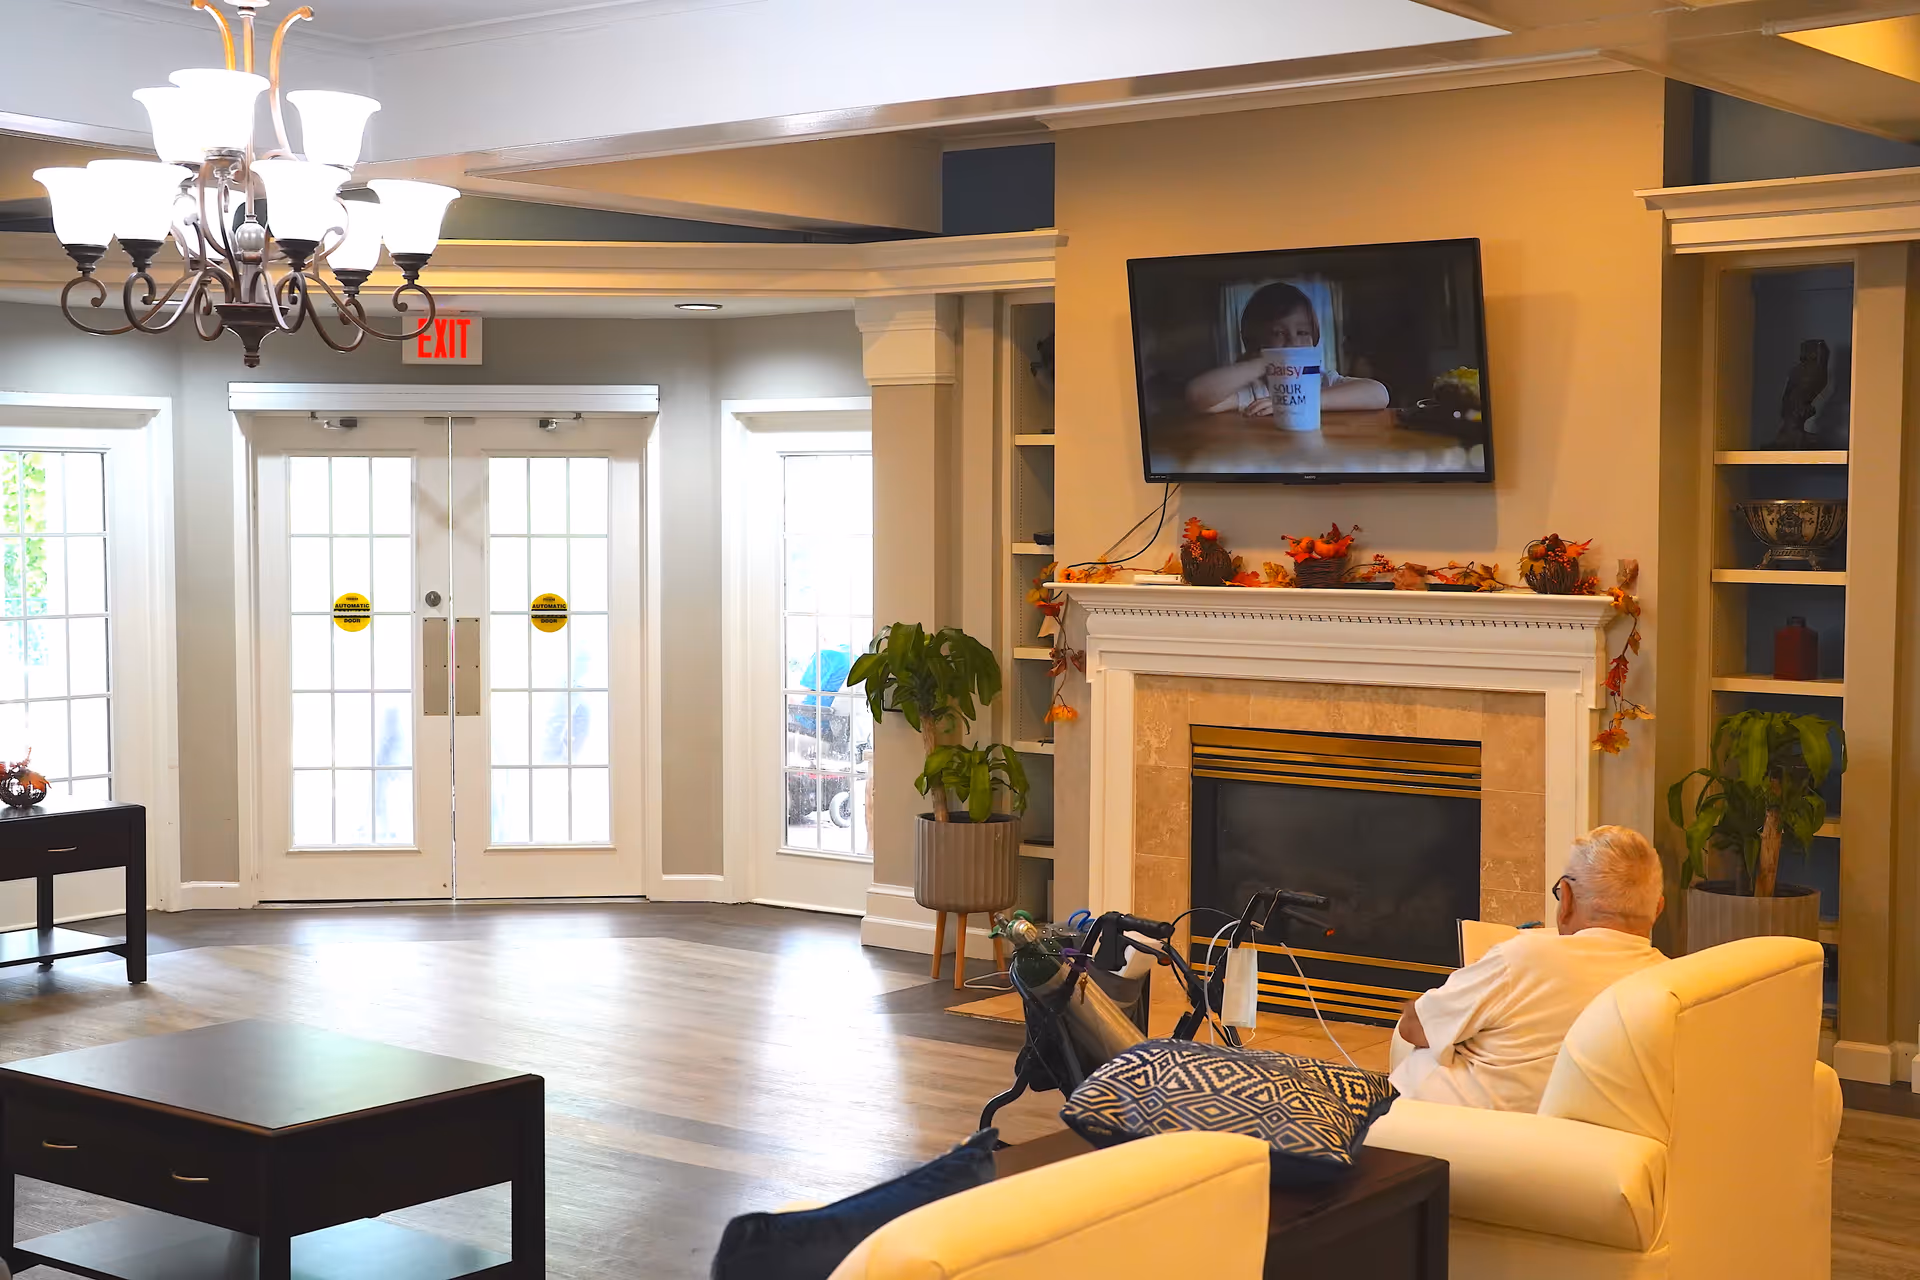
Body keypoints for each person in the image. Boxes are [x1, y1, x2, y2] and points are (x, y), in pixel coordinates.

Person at [1390, 825, 1669, 1113]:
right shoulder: (1669, 980)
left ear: (1567, 898)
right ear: (1658, 909)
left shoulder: (1524, 956)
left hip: (1441, 1133)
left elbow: (1415, 1027)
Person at [1184, 280, 1389, 416]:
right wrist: (1262, 363)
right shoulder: (1257, 390)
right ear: (1255, 341)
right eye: (1278, 333)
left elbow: (1379, 394)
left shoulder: (1321, 380)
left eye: (1302, 333)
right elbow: (1197, 396)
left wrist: (1301, 402)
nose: (1293, 342)